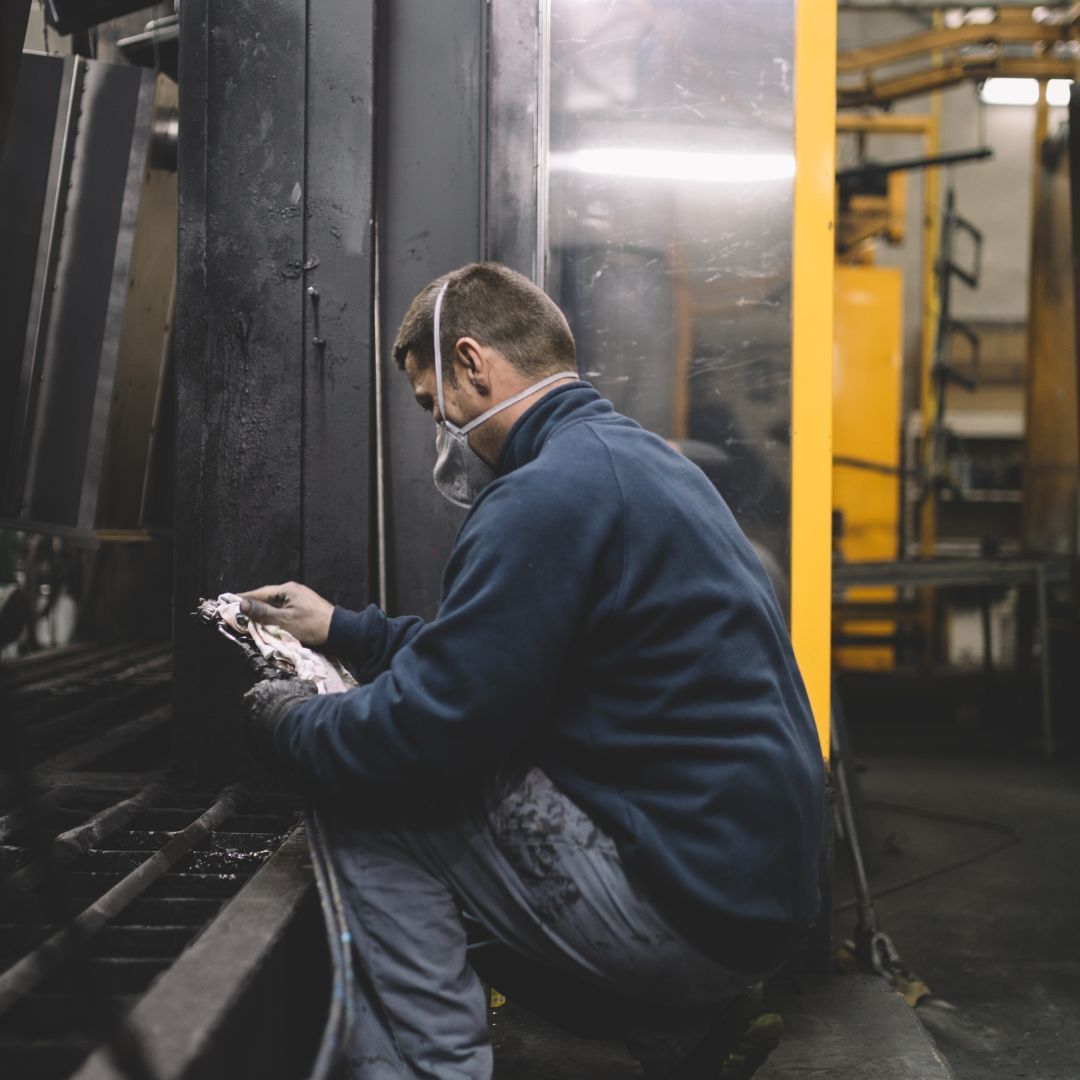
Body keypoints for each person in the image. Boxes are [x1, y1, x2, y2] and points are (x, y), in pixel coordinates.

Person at [240, 262, 825, 1080]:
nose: (439, 428)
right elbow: (499, 660)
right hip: (752, 901)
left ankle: (429, 1072)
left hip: (689, 915)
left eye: (430, 404)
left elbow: (426, 729)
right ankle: (676, 1027)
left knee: (361, 787)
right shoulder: (637, 464)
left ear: (474, 365)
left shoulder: (541, 496)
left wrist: (292, 716)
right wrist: (342, 630)